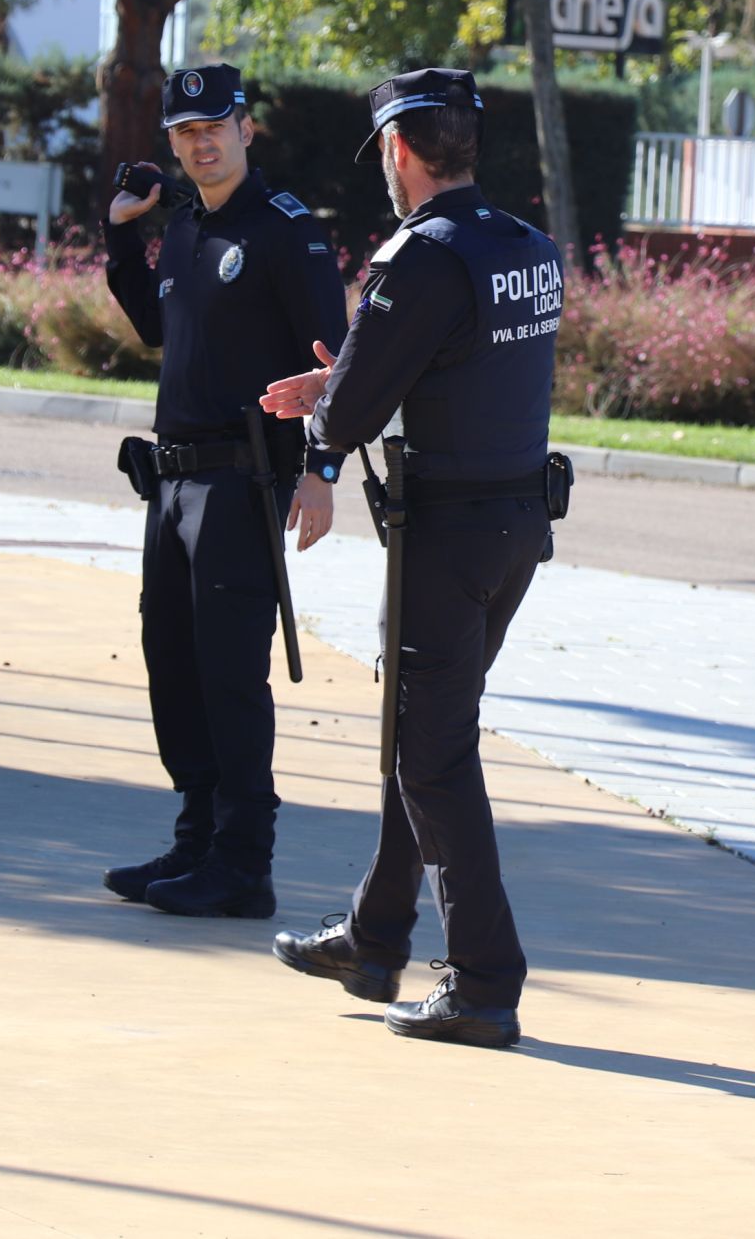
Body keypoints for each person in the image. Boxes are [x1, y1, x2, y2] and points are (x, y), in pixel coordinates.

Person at [261, 68, 564, 1047]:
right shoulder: (522, 247)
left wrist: (329, 413)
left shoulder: (419, 256)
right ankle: (375, 934)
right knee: (418, 732)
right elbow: (454, 363)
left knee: (430, 756)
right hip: (514, 528)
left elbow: (352, 411)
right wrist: (349, 373)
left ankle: (483, 983)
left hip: (446, 538)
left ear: (398, 151)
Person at [101, 63, 349, 919]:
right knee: (172, 665)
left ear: (247, 128)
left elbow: (338, 366)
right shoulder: (182, 229)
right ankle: (196, 840)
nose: (200, 143)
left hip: (242, 484)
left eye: (215, 126)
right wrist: (123, 240)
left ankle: (244, 862)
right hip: (171, 484)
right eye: (183, 132)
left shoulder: (285, 231)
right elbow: (159, 328)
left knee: (230, 674)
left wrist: (322, 471)